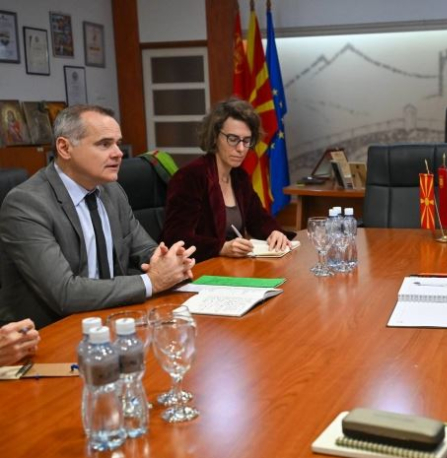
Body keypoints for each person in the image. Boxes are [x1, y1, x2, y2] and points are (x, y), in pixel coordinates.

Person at [0, 105, 196, 329]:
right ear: (64, 148)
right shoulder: (26, 204)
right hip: (50, 331)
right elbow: (65, 293)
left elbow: (143, 248)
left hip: (111, 317)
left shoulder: (111, 190)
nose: (118, 153)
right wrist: (152, 281)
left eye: (118, 143)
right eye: (104, 144)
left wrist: (167, 261)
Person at [162, 97, 295, 262]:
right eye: (233, 139)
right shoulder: (190, 177)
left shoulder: (239, 177)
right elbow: (175, 238)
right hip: (198, 269)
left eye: (246, 140)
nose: (241, 148)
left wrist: (274, 232)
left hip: (232, 267)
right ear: (215, 137)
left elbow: (258, 219)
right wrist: (221, 247)